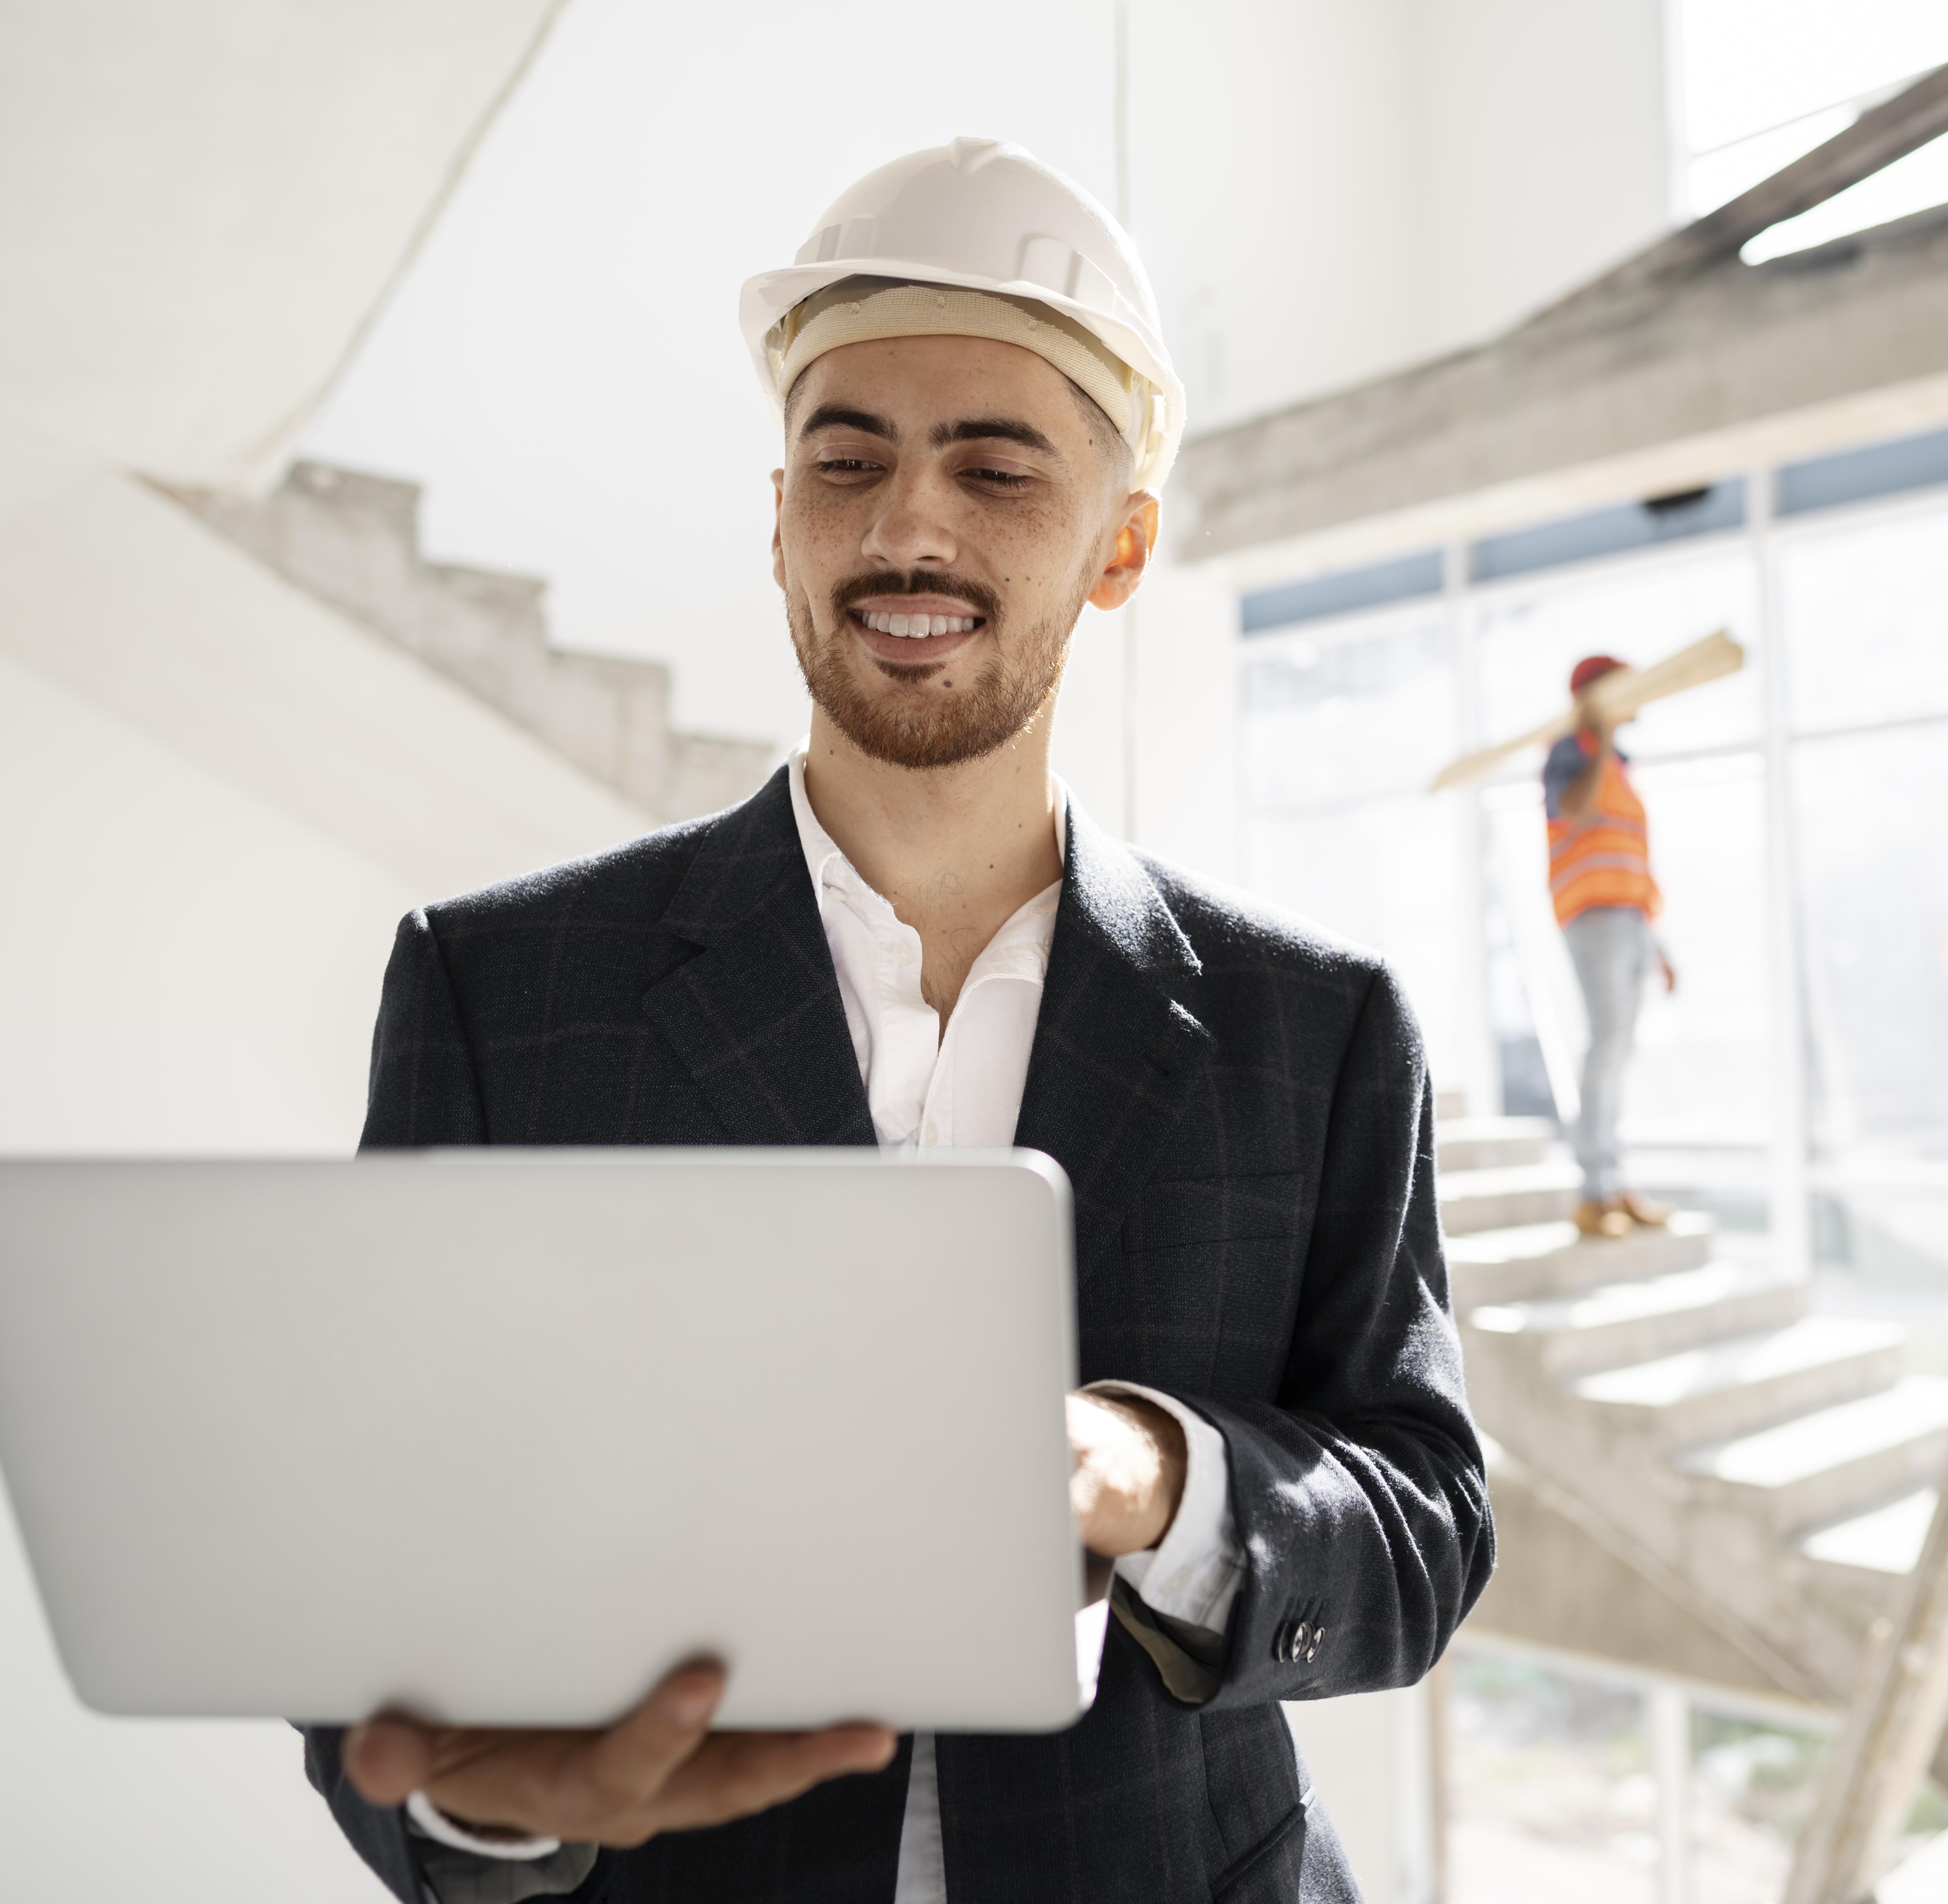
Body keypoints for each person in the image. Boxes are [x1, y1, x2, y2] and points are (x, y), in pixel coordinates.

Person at [296, 138, 1492, 1904]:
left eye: (995, 470)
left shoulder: (1312, 1028)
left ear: (1120, 545)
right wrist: (488, 1808)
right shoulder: (500, 989)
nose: (906, 529)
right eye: (844, 462)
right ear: (778, 518)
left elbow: (1418, 1522)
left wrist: (1146, 1474)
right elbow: (374, 1540)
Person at [1544, 654, 1678, 1239]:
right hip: (1594, 915)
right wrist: (1596, 739)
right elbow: (1575, 809)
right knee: (1606, 1048)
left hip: (1629, 919)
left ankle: (1613, 1183)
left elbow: (1629, 856)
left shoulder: (1620, 764)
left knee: (1620, 1052)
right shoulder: (1570, 753)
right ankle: (1594, 1191)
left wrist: (1657, 942)